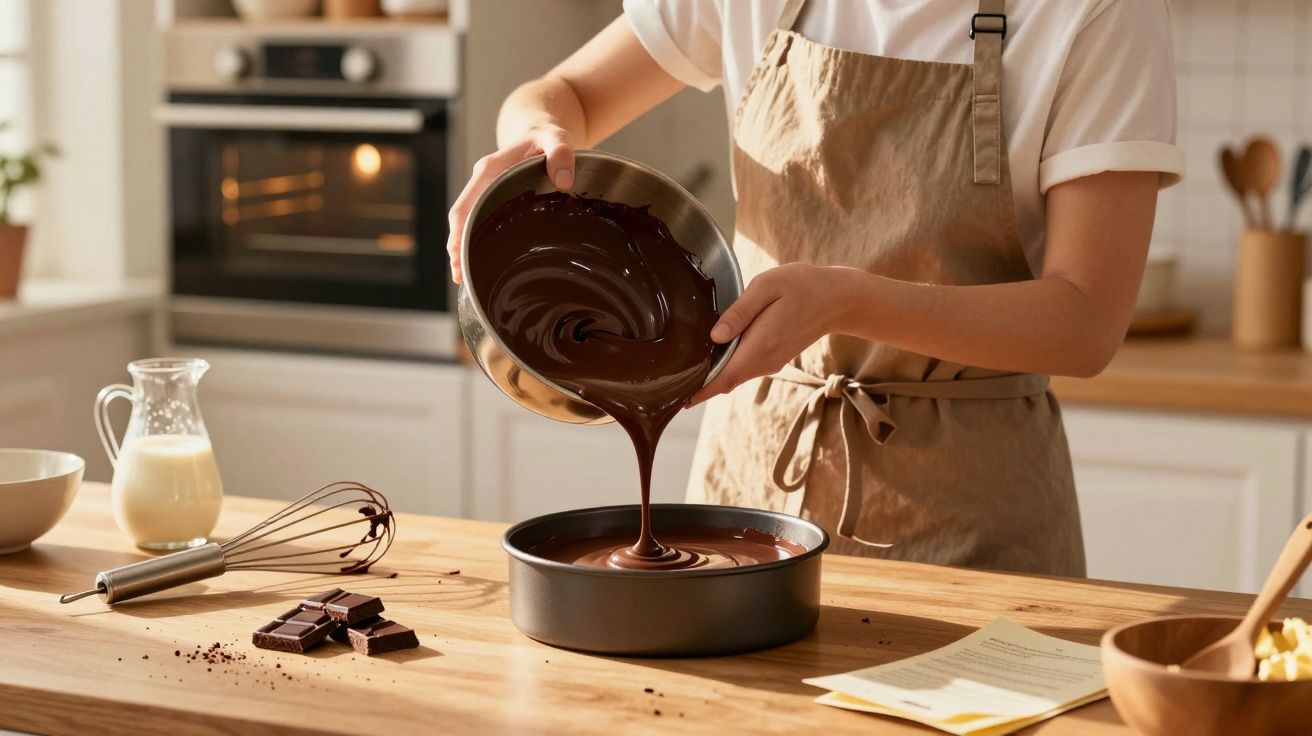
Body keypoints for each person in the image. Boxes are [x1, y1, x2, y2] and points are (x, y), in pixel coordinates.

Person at [447, 0, 1183, 577]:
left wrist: (847, 300)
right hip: (749, 488)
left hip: (973, 518)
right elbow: (563, 91)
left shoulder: (1099, 11)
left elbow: (1086, 321)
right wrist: (537, 133)